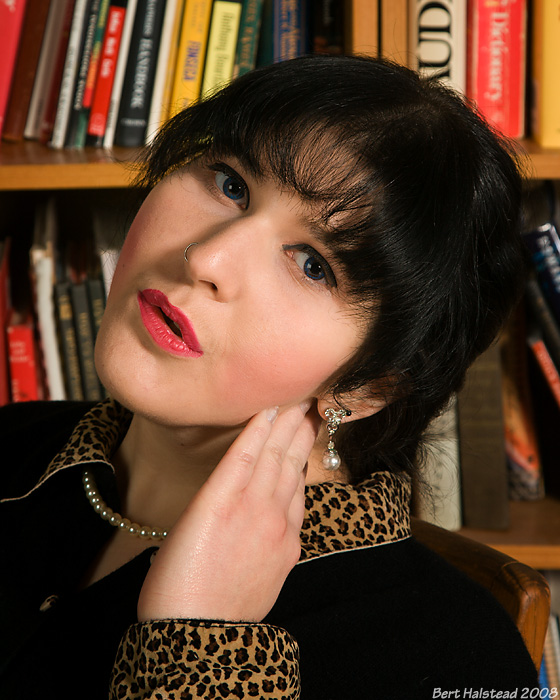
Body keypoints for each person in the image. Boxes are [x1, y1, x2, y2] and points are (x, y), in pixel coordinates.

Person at [0, 54, 539, 699]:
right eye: (230, 183)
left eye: (313, 265)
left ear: (370, 385)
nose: (206, 257)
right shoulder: (12, 444)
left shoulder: (460, 659)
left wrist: (200, 647)